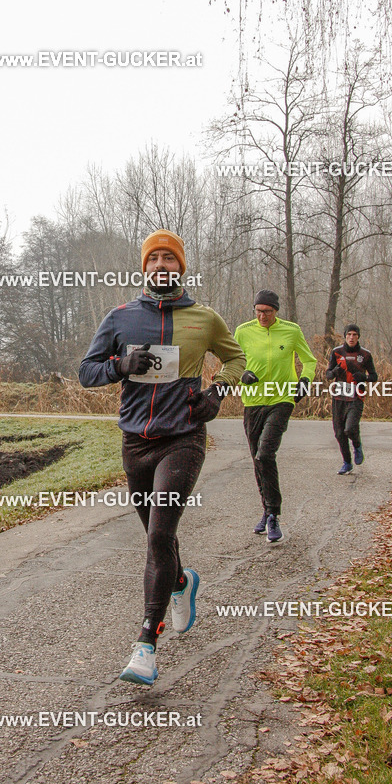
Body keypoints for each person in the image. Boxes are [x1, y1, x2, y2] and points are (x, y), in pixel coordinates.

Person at [78, 229, 245, 686]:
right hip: (135, 444)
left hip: (184, 439)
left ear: (181, 268)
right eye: (154, 260)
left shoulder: (204, 318)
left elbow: (235, 358)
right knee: (157, 538)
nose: (161, 266)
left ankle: (146, 646)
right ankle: (180, 583)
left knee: (158, 536)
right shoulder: (121, 317)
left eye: (170, 259)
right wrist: (119, 367)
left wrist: (218, 393)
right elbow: (86, 373)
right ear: (144, 268)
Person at [234, 291, 317, 546]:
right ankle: (266, 510)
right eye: (258, 311)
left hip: (282, 399)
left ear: (276, 311)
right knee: (257, 459)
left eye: (267, 312)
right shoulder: (243, 331)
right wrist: (242, 373)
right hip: (253, 402)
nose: (262, 316)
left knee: (265, 454)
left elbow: (309, 360)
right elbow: (232, 361)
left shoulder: (291, 331)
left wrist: (305, 380)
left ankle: (273, 516)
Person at [325, 323, 378, 474]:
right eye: (349, 335)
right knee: (340, 433)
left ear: (358, 337)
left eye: (354, 335)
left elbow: (374, 376)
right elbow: (328, 374)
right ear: (345, 336)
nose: (351, 337)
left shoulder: (365, 354)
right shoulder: (336, 352)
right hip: (339, 397)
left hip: (356, 396)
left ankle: (357, 445)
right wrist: (334, 371)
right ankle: (347, 463)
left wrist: (364, 378)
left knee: (350, 428)